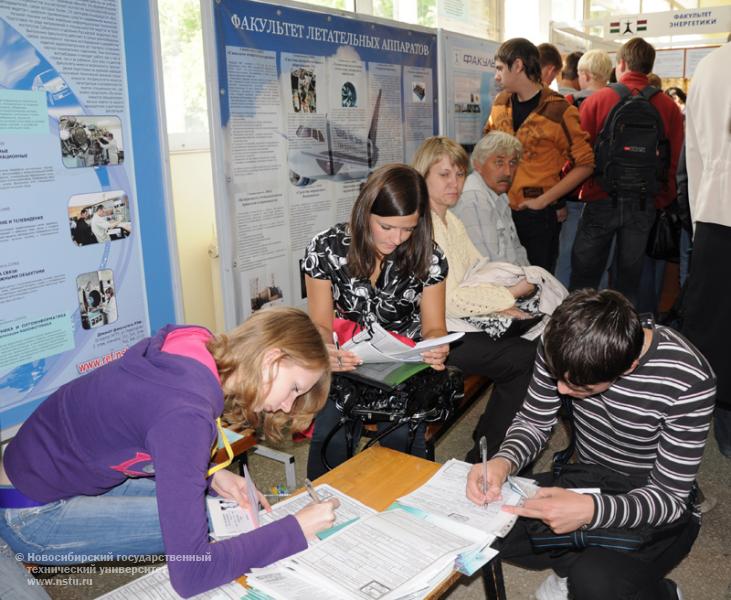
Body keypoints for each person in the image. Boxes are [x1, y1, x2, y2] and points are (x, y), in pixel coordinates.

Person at [0, 308, 339, 598]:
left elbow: (144, 428)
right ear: (271, 359)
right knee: (218, 523)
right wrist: (294, 529)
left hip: (43, 467)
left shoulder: (196, 347)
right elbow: (191, 573)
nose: (286, 405)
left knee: (220, 509)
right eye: (294, 389)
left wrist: (210, 475)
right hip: (29, 511)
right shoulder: (185, 416)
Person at [466, 289, 715, 600]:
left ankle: (657, 592)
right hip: (586, 479)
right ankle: (573, 565)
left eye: (577, 386)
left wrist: (592, 511)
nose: (560, 389)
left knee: (597, 580)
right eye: (557, 377)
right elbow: (534, 421)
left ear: (629, 367)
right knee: (477, 525)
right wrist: (504, 461)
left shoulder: (688, 378)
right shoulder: (559, 343)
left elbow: (669, 499)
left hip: (653, 500)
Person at [303, 164, 451, 479]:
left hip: (403, 366)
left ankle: (398, 511)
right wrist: (327, 350)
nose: (397, 238)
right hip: (345, 362)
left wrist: (436, 347)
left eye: (408, 228)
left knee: (401, 444)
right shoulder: (324, 249)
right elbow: (319, 323)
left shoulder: (430, 256)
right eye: (386, 227)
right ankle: (323, 506)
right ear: (365, 212)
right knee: (330, 436)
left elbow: (434, 327)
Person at [413, 136, 539, 461]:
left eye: (458, 174)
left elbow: (478, 269)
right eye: (444, 175)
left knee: (532, 343)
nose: (454, 183)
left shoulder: (449, 220)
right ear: (422, 176)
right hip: (434, 335)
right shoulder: (424, 225)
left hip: (459, 322)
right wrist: (508, 295)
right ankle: (489, 450)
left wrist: (502, 302)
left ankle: (491, 440)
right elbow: (451, 300)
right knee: (526, 357)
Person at [570, 37, 684, 308]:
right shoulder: (668, 106)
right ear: (649, 66)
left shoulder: (598, 99)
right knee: (627, 282)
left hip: (600, 197)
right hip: (644, 203)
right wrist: (661, 198)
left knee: (584, 278)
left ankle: (576, 334)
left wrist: (579, 191)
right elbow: (675, 158)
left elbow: (579, 153)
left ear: (621, 64)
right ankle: (622, 339)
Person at [485, 38, 594, 272]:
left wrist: (545, 201)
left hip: (537, 214)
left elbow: (585, 164)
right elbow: (488, 146)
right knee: (503, 281)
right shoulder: (501, 103)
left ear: (518, 66)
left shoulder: (559, 110)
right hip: (501, 211)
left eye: (499, 68)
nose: (496, 76)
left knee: (537, 284)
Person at [681, 41, 731, 460]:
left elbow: (693, 155)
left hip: (715, 214)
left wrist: (700, 219)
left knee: (713, 330)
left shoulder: (710, 66)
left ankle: (718, 426)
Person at [554, 49, 614, 288]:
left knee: (567, 256)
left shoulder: (571, 104)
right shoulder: (621, 101)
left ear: (585, 74)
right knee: (603, 260)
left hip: (574, 193)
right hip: (609, 194)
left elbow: (562, 152)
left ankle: (558, 309)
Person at [452, 131, 529, 266]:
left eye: (512, 163)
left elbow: (518, 251)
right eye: (499, 162)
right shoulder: (474, 200)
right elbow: (488, 264)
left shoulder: (500, 196)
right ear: (477, 165)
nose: (507, 172)